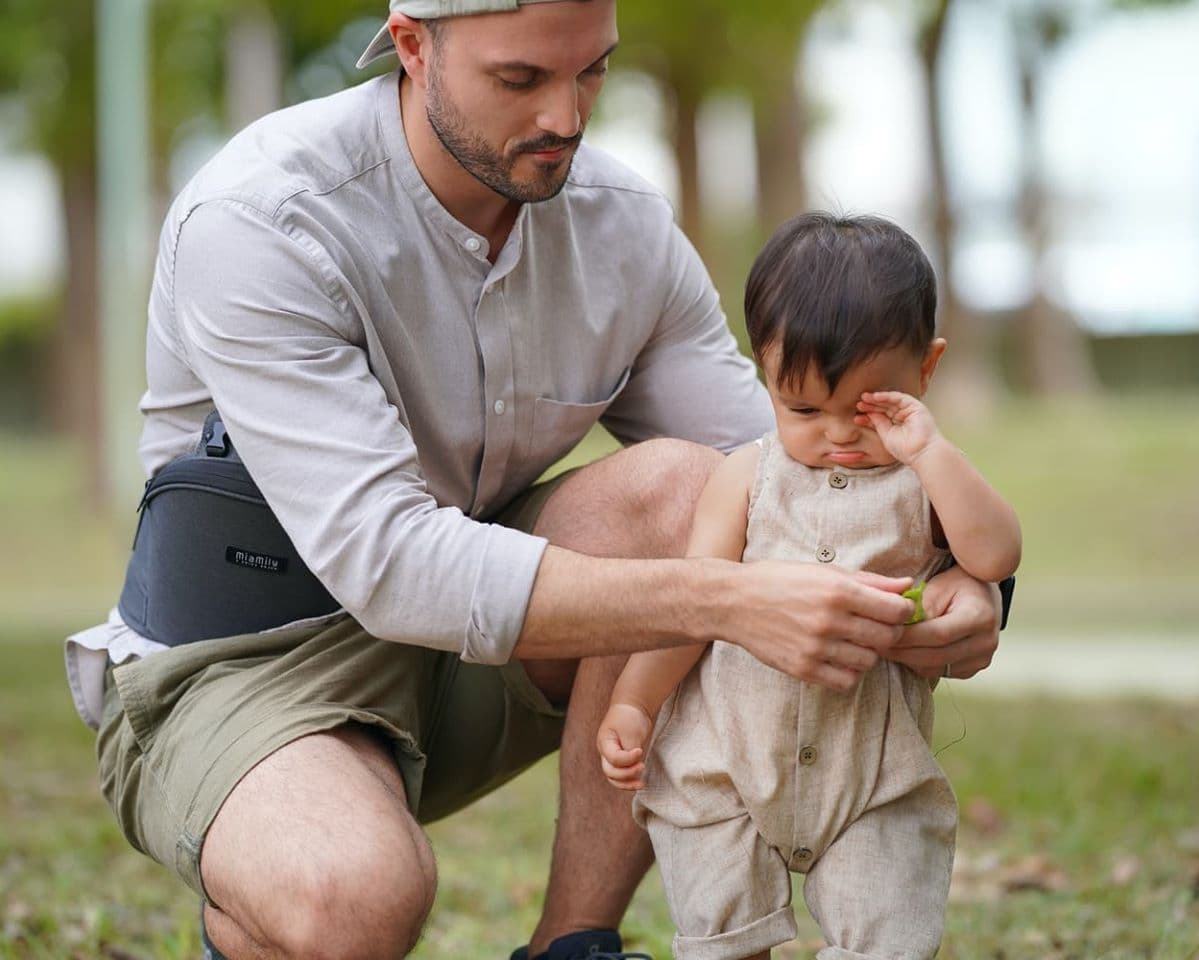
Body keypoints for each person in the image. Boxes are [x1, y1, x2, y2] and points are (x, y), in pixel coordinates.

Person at [64, 2, 1007, 959]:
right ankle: (269, 886)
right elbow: (390, 564)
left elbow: (774, 468)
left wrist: (975, 587)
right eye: (521, 80)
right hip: (252, 657)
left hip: (470, 657)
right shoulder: (261, 218)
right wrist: (727, 599)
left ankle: (571, 946)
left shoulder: (623, 225)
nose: (568, 117)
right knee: (353, 900)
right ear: (412, 46)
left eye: (592, 71)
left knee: (695, 492)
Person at [596, 213, 1022, 960]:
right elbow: (693, 607)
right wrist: (634, 701)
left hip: (872, 770)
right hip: (725, 760)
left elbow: (995, 555)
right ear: (763, 373)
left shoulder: (927, 480)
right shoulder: (745, 478)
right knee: (721, 932)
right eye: (802, 408)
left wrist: (930, 452)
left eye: (867, 409)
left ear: (926, 370)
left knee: (885, 933)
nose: (837, 434)